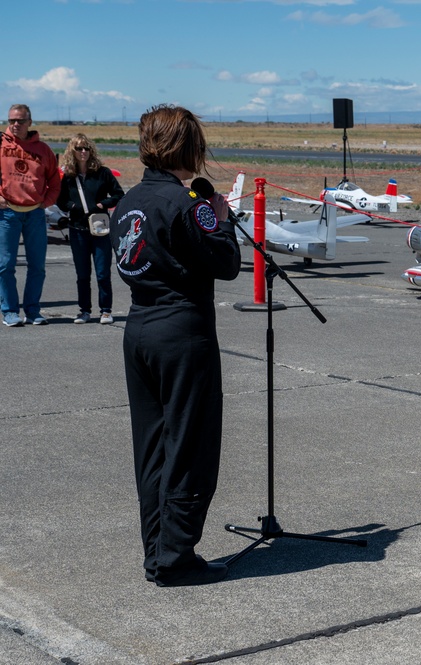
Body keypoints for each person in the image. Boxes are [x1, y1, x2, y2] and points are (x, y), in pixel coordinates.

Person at [110, 105, 241, 585]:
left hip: (139, 326)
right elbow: (226, 263)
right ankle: (177, 556)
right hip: (182, 331)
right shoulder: (190, 203)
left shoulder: (130, 200)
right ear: (190, 147)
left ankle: (156, 550)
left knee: (152, 448)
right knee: (190, 443)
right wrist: (221, 219)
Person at [0, 104, 61, 327]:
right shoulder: (1, 144)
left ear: (29, 123)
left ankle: (33, 311)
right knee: (5, 265)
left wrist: (46, 203)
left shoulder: (43, 150)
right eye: (12, 120)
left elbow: (55, 180)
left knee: (37, 265)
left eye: (21, 121)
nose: (16, 124)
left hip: (34, 214)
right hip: (6, 214)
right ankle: (9, 311)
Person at [56, 134, 125, 325]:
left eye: (86, 148)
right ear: (73, 151)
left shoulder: (103, 173)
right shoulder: (68, 177)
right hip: (77, 229)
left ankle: (106, 310)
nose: (83, 151)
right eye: (79, 148)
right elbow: (60, 200)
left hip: (100, 229)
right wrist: (71, 207)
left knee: (103, 273)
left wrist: (103, 204)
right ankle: (84, 311)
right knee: (82, 274)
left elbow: (119, 194)